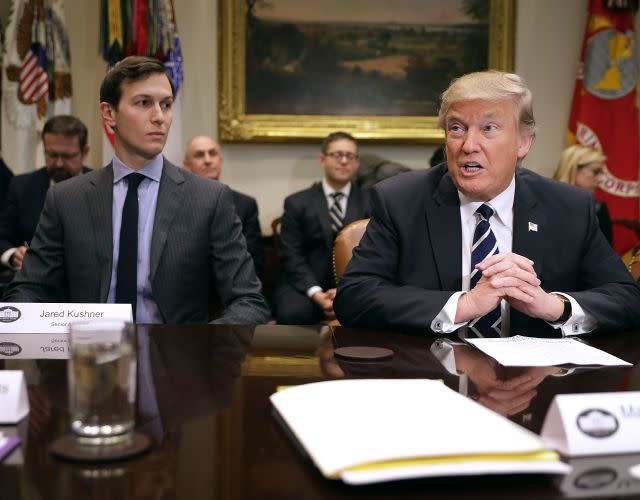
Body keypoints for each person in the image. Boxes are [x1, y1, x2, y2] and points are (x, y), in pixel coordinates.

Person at [334, 71, 640, 335]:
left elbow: (626, 299)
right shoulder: (400, 200)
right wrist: (463, 305)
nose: (468, 145)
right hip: (433, 380)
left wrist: (553, 306)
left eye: (488, 129)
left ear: (523, 142)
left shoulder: (569, 207)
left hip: (535, 384)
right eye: (456, 128)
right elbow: (354, 298)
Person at [4, 56, 270, 325]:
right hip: (90, 355)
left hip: (177, 358)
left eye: (166, 105)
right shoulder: (66, 199)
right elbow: (29, 289)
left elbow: (248, 301)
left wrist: (199, 347)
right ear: (109, 113)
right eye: (143, 103)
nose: (159, 117)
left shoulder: (209, 199)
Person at [275, 131, 370, 324]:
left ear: (357, 163)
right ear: (322, 159)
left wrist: (344, 290)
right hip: (305, 285)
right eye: (337, 155)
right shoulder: (296, 203)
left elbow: (374, 254)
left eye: (350, 156)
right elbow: (291, 255)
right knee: (293, 313)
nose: (344, 161)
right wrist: (316, 293)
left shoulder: (371, 202)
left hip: (356, 285)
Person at [0, 115, 91, 271]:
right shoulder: (21, 186)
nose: (59, 163)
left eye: (67, 156)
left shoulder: (104, 187)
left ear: (84, 152)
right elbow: (2, 237)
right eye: (52, 155)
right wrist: (13, 254)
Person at [183, 135, 264, 276]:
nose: (208, 160)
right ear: (186, 165)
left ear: (220, 161)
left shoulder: (246, 205)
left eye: (213, 153)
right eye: (199, 155)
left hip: (237, 288)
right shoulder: (177, 205)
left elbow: (254, 261)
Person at [553, 144, 612, 244]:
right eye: (596, 172)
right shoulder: (542, 199)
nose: (600, 179)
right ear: (574, 169)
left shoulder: (597, 208)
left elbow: (605, 255)